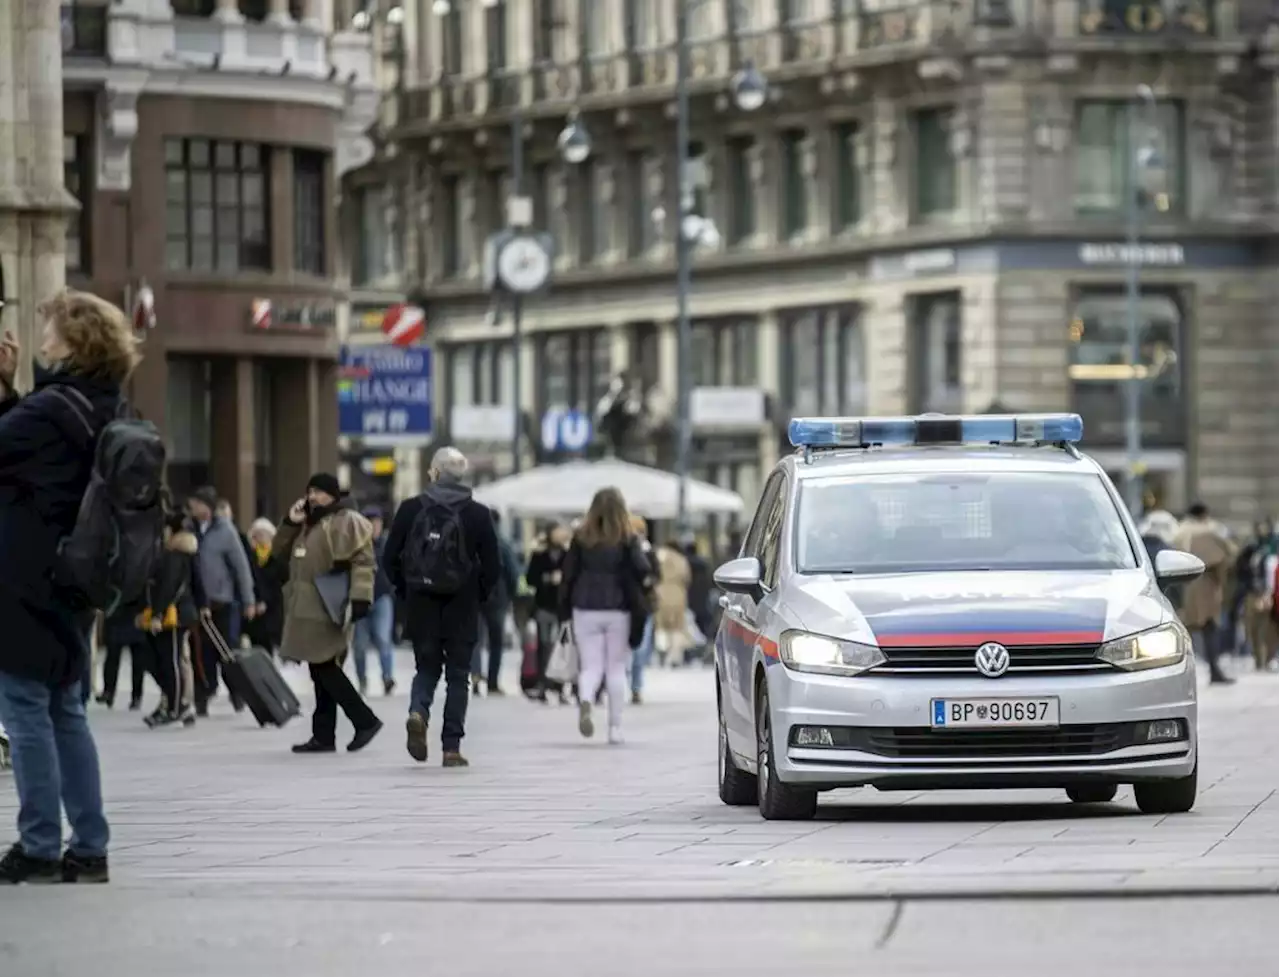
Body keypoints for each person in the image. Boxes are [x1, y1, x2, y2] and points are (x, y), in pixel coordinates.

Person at [0, 289, 140, 884]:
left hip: (26, 577)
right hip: (76, 582)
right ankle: (88, 845)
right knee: (65, 709)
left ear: (75, 341)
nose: (41, 338)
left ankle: (36, 845)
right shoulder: (106, 406)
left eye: (51, 327)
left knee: (27, 708)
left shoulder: (49, 408)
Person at [384, 447, 499, 768]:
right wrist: (478, 594)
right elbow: (493, 565)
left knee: (427, 669)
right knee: (459, 676)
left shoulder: (410, 509)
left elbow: (388, 557)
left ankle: (418, 711)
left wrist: (405, 589)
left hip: (421, 603)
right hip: (462, 606)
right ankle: (451, 748)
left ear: (433, 473)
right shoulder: (477, 514)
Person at [273, 475, 382, 754]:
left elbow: (363, 561)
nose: (313, 497)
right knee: (319, 668)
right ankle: (323, 735)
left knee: (325, 666)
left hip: (329, 603)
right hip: (304, 604)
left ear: (333, 494)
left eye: (319, 492)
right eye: (310, 491)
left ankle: (364, 720)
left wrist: (360, 597)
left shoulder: (347, 521)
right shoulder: (307, 522)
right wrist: (290, 522)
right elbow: (277, 554)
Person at [559, 488, 652, 745]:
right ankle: (615, 729)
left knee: (590, 666)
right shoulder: (627, 538)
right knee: (616, 668)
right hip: (618, 608)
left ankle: (586, 698)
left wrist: (564, 608)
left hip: (584, 607)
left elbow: (568, 574)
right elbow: (643, 569)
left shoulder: (580, 538)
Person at [187, 486, 257, 715]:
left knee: (228, 650)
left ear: (207, 506)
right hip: (200, 604)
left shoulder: (225, 530)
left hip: (223, 602)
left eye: (197, 504)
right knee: (201, 653)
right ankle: (203, 695)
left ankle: (237, 693)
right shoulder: (189, 529)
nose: (193, 508)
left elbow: (241, 567)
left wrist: (248, 600)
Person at [139, 510, 203, 728]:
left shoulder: (175, 555)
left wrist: (157, 613)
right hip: (177, 613)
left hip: (175, 615)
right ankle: (176, 703)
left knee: (172, 661)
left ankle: (176, 706)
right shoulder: (179, 553)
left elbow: (169, 587)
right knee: (167, 661)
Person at [1173, 502, 1236, 685]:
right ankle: (1214, 671)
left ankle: (1179, 673)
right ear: (1204, 514)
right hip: (1208, 584)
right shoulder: (1212, 530)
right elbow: (1230, 552)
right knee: (1210, 628)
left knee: (1185, 630)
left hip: (1186, 584)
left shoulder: (1180, 531)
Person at [472, 508, 521, 697]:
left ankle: (476, 676)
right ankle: (493, 682)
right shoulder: (503, 544)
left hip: (474, 598)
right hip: (498, 599)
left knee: (475, 640)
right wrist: (511, 595)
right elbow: (513, 573)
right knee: (496, 643)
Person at [352, 506, 397, 696]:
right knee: (359, 644)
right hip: (360, 599)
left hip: (381, 598)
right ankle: (362, 680)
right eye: (370, 523)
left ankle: (387, 677)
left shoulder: (388, 545)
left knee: (382, 638)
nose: (374, 527)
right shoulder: (356, 546)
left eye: (377, 523)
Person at [526, 523, 572, 703]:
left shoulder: (569, 556)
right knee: (544, 646)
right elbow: (530, 578)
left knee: (562, 647)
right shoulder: (539, 555)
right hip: (544, 605)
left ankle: (560, 686)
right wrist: (547, 578)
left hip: (562, 607)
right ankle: (543, 683)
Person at [627, 516, 660, 705]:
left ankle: (636, 687)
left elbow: (656, 574)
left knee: (641, 650)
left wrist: (649, 580)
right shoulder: (623, 550)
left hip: (644, 605)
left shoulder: (649, 552)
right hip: (626, 605)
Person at [244, 517, 286, 657]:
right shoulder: (249, 556)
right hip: (254, 607)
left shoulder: (277, 556)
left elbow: (280, 582)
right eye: (257, 534)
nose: (260, 537)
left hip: (272, 607)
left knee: (270, 644)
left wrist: (266, 602)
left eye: (263, 534)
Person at [216, 498, 254, 648]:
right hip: (217, 596)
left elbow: (245, 569)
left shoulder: (240, 539)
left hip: (234, 596)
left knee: (231, 639)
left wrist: (249, 599)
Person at [97, 607, 149, 711]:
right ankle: (109, 691)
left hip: (136, 614)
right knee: (112, 656)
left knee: (137, 661)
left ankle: (136, 695)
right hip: (118, 615)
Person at [653, 539, 692, 668]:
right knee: (677, 626)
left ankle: (662, 651)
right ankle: (675, 656)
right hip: (678, 594)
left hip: (660, 592)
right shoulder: (682, 560)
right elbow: (687, 578)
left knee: (661, 625)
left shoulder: (659, 556)